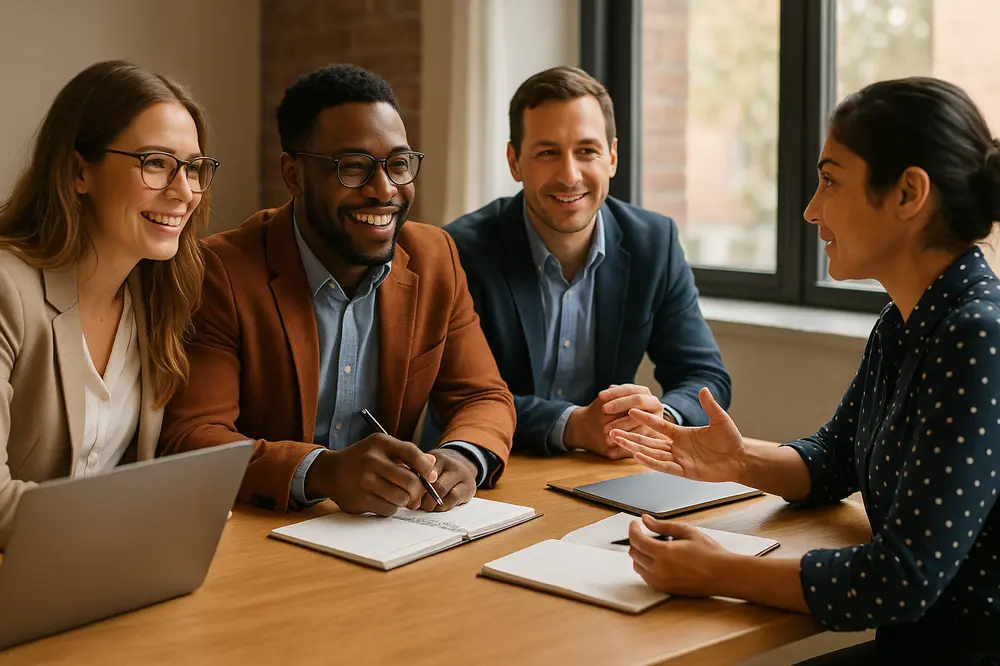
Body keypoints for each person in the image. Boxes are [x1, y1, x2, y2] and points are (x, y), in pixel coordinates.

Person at [611, 77, 1000, 664]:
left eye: (830, 180)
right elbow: (834, 460)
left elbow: (903, 578)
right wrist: (738, 460)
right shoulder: (903, 321)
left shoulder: (978, 337)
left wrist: (718, 570)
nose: (811, 209)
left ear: (908, 193)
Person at [160, 64, 515, 516]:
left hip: (389, 533)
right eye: (354, 167)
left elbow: (483, 396)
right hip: (259, 530)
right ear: (294, 175)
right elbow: (193, 437)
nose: (384, 190)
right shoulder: (220, 271)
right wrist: (322, 471)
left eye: (398, 164)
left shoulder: (434, 257)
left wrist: (463, 455)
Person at [423, 66, 730, 458]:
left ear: (612, 157)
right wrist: (573, 426)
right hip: (484, 470)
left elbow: (705, 376)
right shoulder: (460, 251)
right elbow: (455, 395)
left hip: (599, 472)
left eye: (587, 151)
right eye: (547, 153)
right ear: (514, 162)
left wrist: (659, 418)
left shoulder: (654, 243)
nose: (569, 176)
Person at [0, 60, 218, 548]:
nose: (184, 192)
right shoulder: (6, 290)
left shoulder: (159, 298)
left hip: (102, 571)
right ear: (80, 171)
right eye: (156, 162)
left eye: (193, 167)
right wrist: (144, 515)